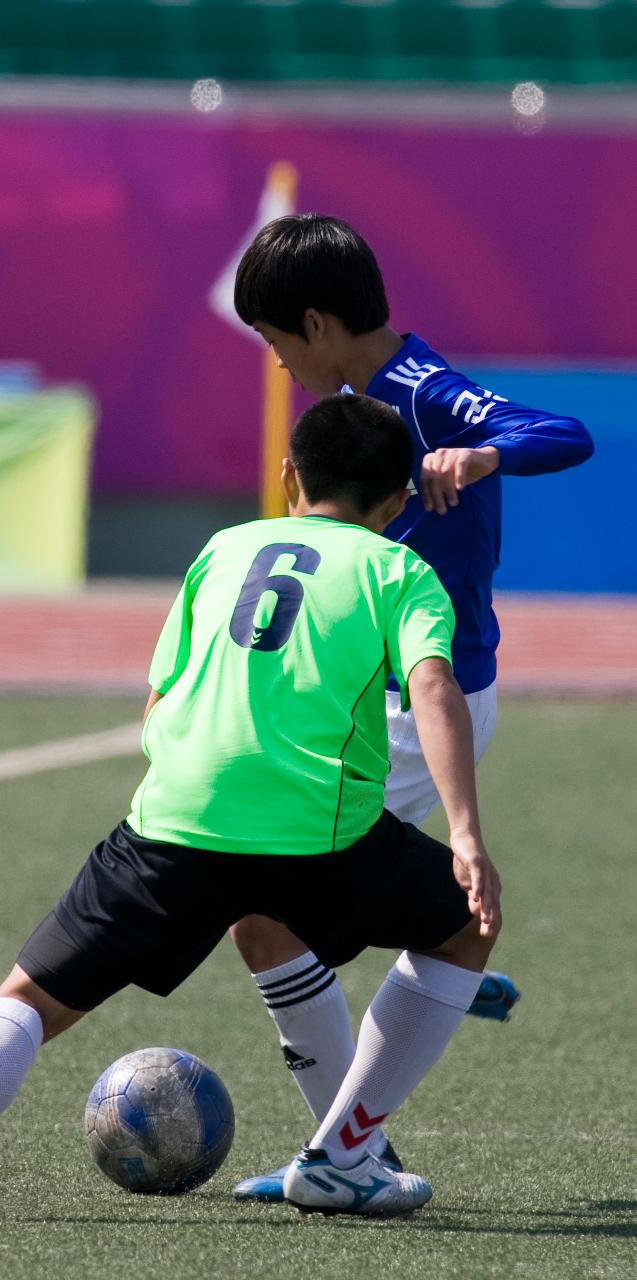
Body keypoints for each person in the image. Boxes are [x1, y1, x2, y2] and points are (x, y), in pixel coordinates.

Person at [0, 394, 501, 1220]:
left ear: (288, 475)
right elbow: (432, 686)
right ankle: (344, 1157)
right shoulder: (402, 570)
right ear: (395, 503)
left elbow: (159, 699)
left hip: (173, 825)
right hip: (319, 837)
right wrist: (464, 834)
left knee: (28, 997)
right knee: (464, 927)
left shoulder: (220, 548)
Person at [229, 213, 594, 1202]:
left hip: (418, 705)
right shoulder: (365, 401)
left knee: (264, 914)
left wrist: (479, 456)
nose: (274, 362)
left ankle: (348, 1150)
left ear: (316, 322)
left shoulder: (422, 391)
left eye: (271, 341)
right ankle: (355, 1134)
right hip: (378, 702)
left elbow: (564, 432)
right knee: (267, 912)